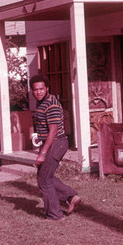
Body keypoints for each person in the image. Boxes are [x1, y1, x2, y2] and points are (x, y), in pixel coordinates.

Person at [30, 74, 81, 221]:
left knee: (44, 180)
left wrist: (43, 153)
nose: (38, 92)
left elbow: (53, 131)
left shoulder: (51, 104)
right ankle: (71, 196)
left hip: (55, 143)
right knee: (45, 176)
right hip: (51, 142)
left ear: (47, 88)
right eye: (35, 89)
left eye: (41, 89)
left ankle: (55, 215)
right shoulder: (42, 102)